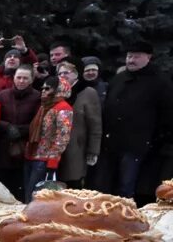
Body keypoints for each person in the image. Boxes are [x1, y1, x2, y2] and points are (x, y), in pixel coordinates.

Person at [101, 40, 173, 201]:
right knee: (108, 184)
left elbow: (167, 115)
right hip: (111, 143)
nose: (130, 60)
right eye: (129, 56)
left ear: (148, 57)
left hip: (138, 145)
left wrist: (153, 140)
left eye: (136, 57)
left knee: (127, 186)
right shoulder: (119, 79)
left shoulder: (160, 82)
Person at [0, 64, 41, 199]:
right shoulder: (3, 95)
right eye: (19, 77)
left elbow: (38, 123)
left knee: (20, 187)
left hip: (25, 148)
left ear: (31, 80)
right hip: (3, 148)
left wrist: (20, 131)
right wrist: (7, 126)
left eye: (25, 78)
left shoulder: (37, 97)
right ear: (14, 78)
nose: (21, 81)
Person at [23, 76, 73, 201]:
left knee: (35, 197)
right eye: (43, 88)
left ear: (59, 90)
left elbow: (62, 137)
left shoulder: (63, 108)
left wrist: (53, 160)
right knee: (28, 193)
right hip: (31, 155)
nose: (43, 91)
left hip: (44, 159)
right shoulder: (44, 106)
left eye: (48, 88)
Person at [55, 61, 101, 189]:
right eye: (60, 73)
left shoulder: (87, 92)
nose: (63, 76)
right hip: (56, 148)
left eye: (66, 72)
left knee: (73, 183)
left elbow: (95, 124)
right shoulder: (56, 92)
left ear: (75, 75)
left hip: (77, 147)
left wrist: (93, 151)